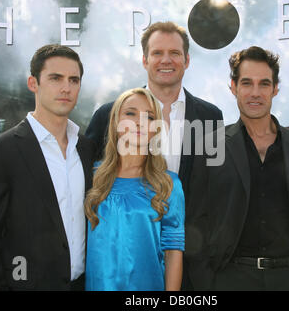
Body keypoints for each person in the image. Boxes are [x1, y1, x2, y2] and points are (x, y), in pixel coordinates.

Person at [85, 21, 222, 289]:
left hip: (190, 263)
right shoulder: (107, 115)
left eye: (175, 53)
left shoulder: (210, 117)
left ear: (187, 60)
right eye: (157, 53)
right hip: (115, 266)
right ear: (145, 59)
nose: (166, 60)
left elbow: (213, 189)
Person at [185, 46, 289, 290]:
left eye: (264, 84)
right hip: (231, 279)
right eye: (246, 83)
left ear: (275, 89)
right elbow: (197, 221)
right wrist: (207, 283)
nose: (255, 93)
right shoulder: (211, 146)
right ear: (233, 87)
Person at [0, 44, 95, 290]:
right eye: (55, 78)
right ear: (33, 83)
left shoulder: (86, 148)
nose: (66, 88)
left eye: (73, 80)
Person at [84, 88, 185, 291]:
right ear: (115, 121)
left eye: (149, 117)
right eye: (130, 113)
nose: (139, 122)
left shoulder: (168, 184)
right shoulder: (92, 175)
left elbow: (173, 252)